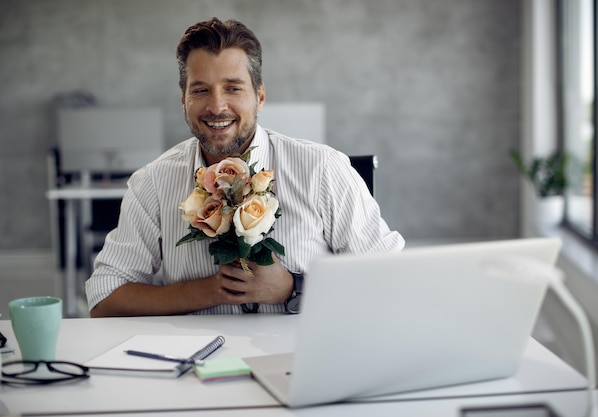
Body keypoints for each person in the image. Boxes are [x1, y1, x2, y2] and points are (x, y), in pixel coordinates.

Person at [86, 17, 404, 317]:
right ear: (183, 100)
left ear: (260, 97)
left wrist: (294, 288)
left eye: (233, 88)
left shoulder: (322, 169)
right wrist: (212, 291)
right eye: (200, 90)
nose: (217, 106)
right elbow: (104, 297)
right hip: (195, 367)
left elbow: (391, 279)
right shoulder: (152, 184)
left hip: (303, 362)